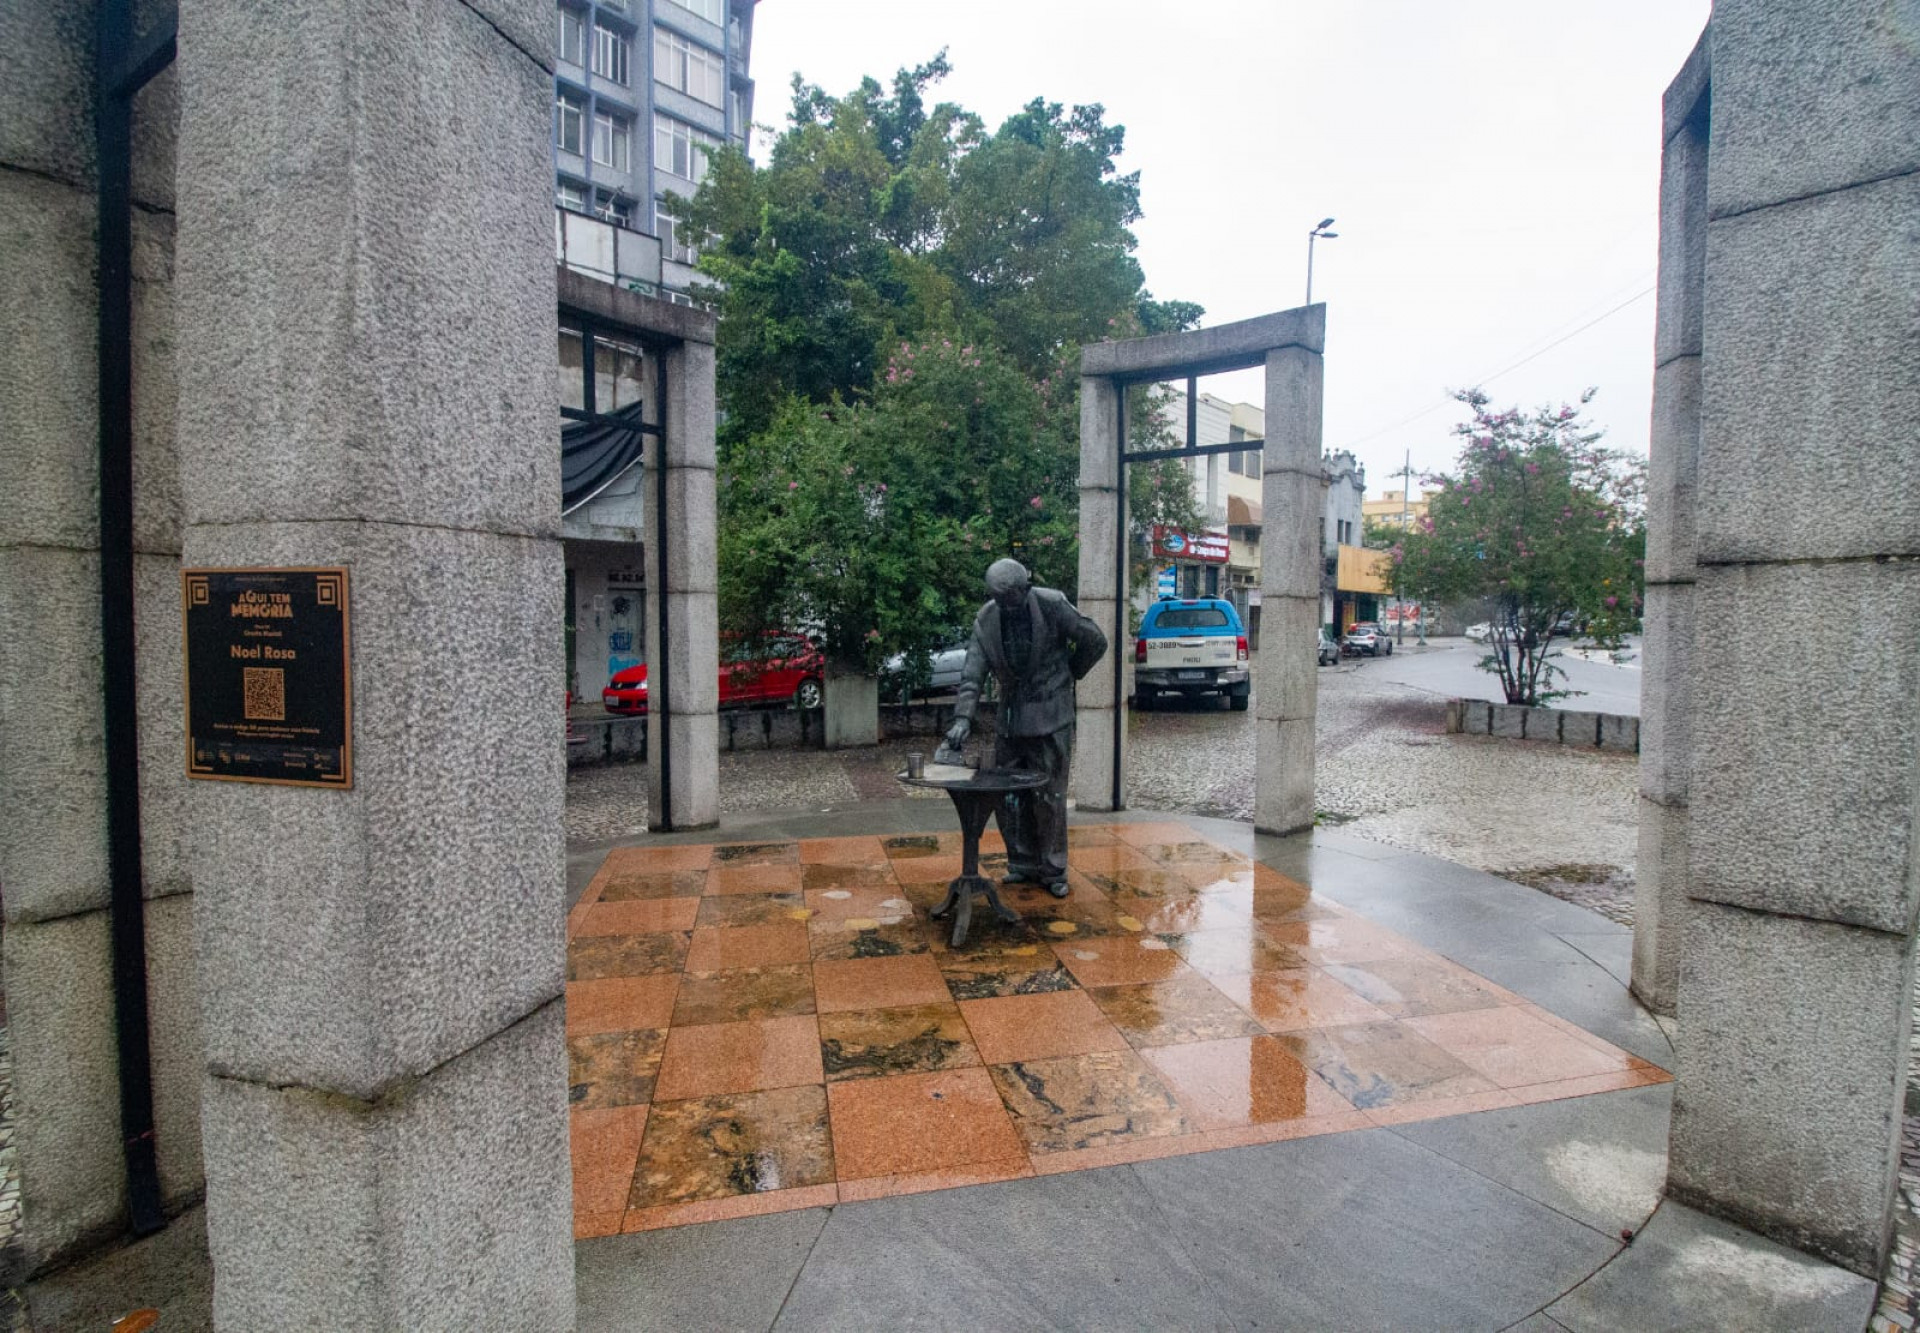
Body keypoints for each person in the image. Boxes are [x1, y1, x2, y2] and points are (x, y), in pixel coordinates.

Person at [943, 558, 1107, 897]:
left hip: (1051, 718)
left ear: (1024, 589)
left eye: (1007, 598)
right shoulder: (987, 619)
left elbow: (1095, 639)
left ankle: (1053, 870)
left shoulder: (1052, 605)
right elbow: (972, 674)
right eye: (995, 597)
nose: (1002, 605)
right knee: (1008, 798)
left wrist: (1070, 674)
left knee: (1050, 797)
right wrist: (962, 718)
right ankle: (1021, 862)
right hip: (1011, 721)